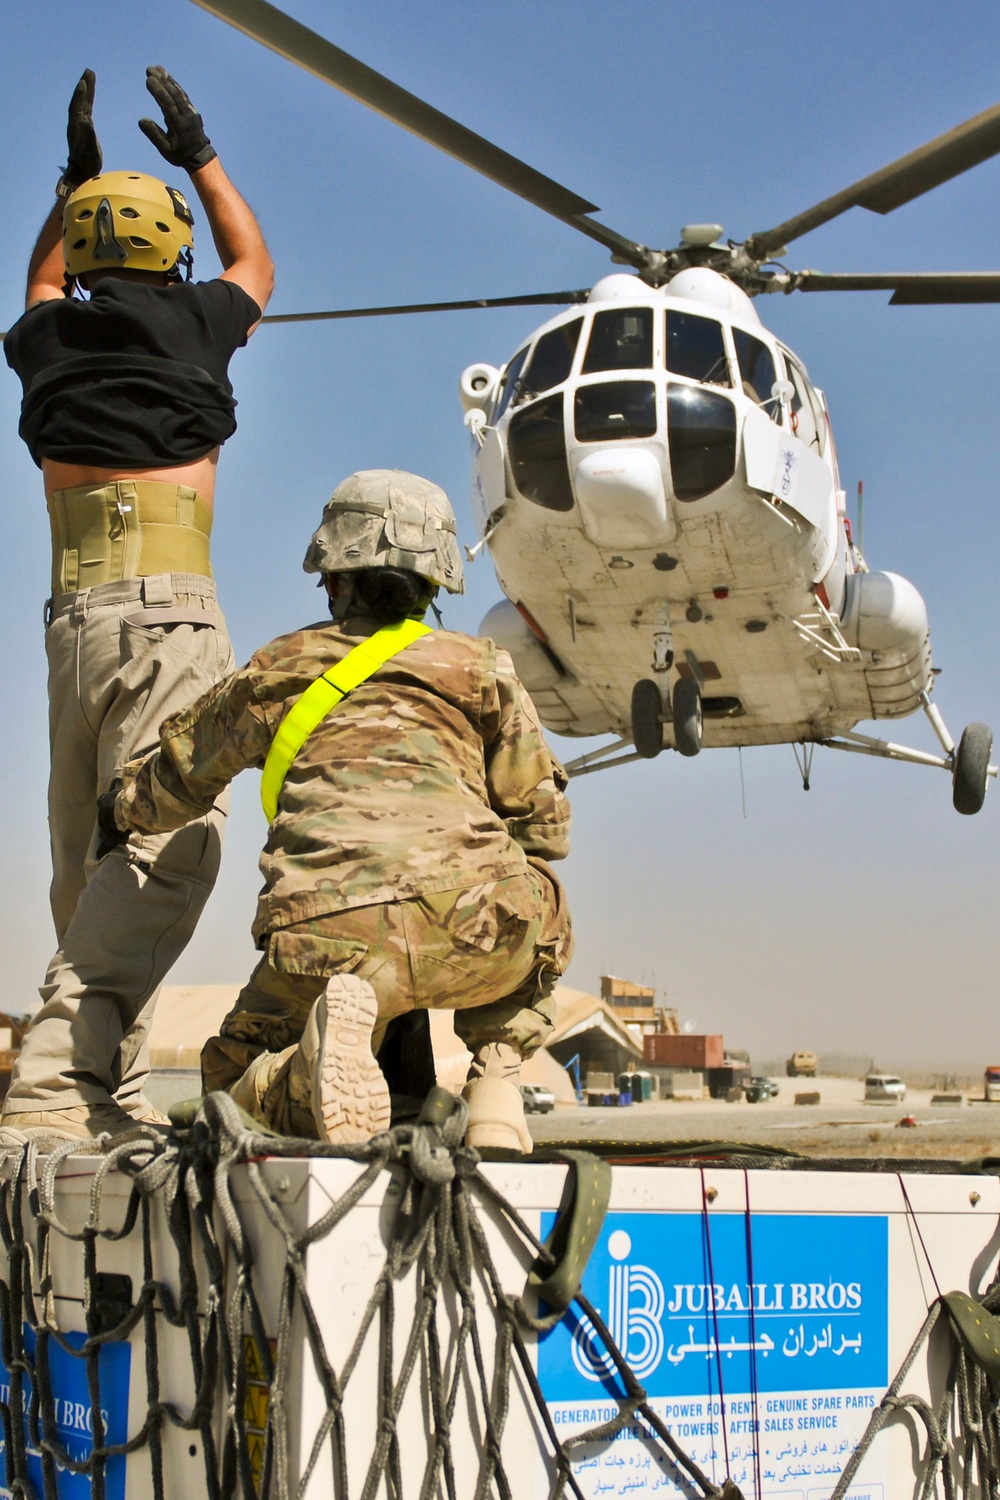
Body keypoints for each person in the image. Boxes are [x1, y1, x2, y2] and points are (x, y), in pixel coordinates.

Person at [102, 470, 572, 1153]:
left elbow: (174, 783)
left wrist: (119, 810)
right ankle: (496, 1087)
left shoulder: (283, 666)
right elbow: (545, 826)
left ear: (334, 576)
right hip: (473, 922)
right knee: (539, 896)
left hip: (323, 935)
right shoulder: (483, 668)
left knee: (227, 1084)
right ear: (435, 584)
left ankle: (299, 1076)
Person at [0, 68, 274, 1143]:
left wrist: (72, 183)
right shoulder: (196, 322)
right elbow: (256, 260)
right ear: (170, 258)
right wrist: (200, 152)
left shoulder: (48, 345)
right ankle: (56, 1072)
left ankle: (98, 1096)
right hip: (169, 623)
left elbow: (36, 284)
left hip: (71, 630)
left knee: (87, 877)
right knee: (170, 846)